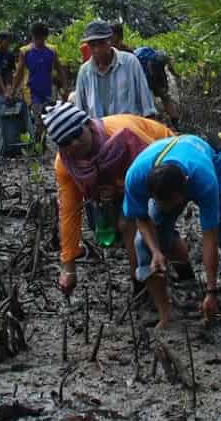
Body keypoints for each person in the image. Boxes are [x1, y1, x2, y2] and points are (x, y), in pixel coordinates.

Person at [42, 102, 175, 296]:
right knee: (126, 226)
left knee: (133, 224)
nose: (74, 144)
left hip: (162, 158)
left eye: (76, 134)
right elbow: (69, 212)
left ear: (87, 124)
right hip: (121, 180)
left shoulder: (122, 133)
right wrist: (68, 267)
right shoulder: (65, 164)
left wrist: (124, 188)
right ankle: (145, 280)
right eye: (65, 142)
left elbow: (157, 168)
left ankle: (148, 284)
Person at [122, 133, 221, 328]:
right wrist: (156, 251)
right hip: (166, 165)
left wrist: (211, 291)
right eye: (161, 202)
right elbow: (141, 217)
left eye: (172, 203)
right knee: (143, 245)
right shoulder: (136, 176)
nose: (167, 208)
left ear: (186, 186)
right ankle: (165, 315)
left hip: (213, 167)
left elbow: (210, 237)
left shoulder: (204, 180)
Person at [75, 19, 157, 120]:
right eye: (92, 45)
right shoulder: (84, 72)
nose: (97, 50)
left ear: (109, 41)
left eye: (101, 43)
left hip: (129, 130)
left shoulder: (130, 62)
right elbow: (80, 112)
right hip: (100, 133)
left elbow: (147, 106)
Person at [10, 23, 67, 137]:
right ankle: (38, 145)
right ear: (33, 36)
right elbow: (19, 73)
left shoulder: (52, 51)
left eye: (41, 38)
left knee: (48, 117)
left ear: (45, 37)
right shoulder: (25, 51)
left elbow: (60, 69)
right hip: (31, 91)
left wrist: (65, 87)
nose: (38, 40)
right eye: (36, 38)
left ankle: (42, 142)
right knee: (38, 117)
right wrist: (13, 90)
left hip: (48, 90)